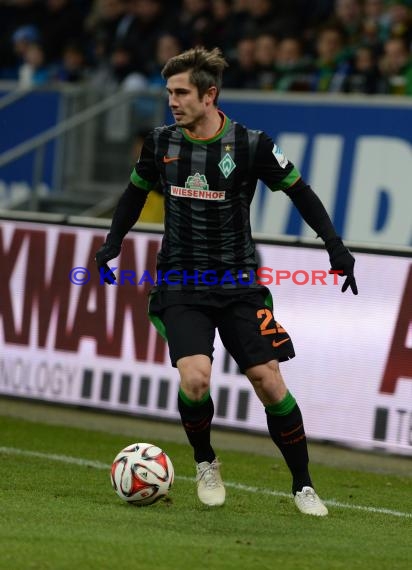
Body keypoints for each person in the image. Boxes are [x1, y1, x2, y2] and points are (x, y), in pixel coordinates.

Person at [95, 46, 358, 516]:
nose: (172, 101)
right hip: (182, 281)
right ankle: (205, 461)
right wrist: (113, 241)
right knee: (195, 379)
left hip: (238, 283)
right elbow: (134, 194)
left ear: (209, 94)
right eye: (169, 92)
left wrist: (334, 245)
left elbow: (299, 191)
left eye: (181, 92)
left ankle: (303, 485)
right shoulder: (160, 143)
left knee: (268, 380)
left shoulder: (251, 144)